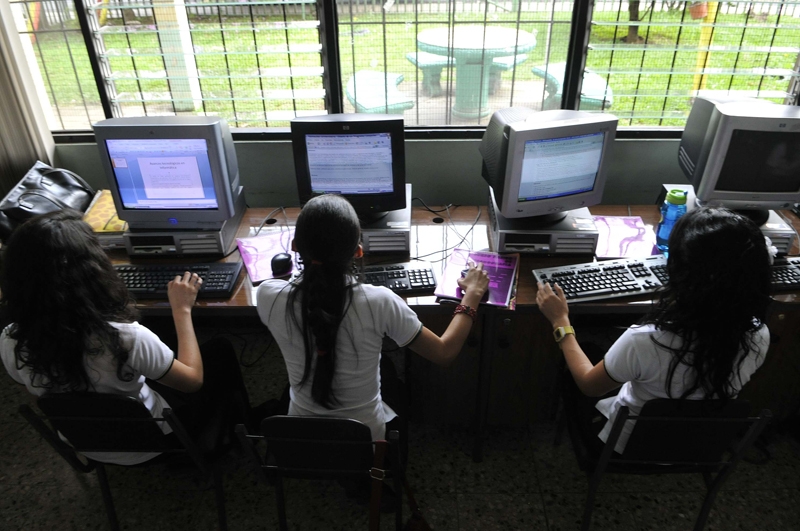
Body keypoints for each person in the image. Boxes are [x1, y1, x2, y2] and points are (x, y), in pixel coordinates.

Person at [0, 209, 253, 465]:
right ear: (91, 271)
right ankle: (241, 430)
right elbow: (193, 382)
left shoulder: (11, 339)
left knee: (150, 357)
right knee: (219, 349)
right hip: (158, 442)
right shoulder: (124, 338)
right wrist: (182, 309)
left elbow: (42, 397)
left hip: (87, 444)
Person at [256, 194, 490, 455]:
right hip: (364, 441)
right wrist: (473, 295)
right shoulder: (379, 301)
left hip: (302, 439)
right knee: (393, 377)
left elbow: (287, 285)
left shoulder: (268, 296)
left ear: (295, 245)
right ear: (358, 251)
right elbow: (444, 353)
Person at [536, 207, 771, 456]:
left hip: (627, 445)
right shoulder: (759, 335)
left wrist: (560, 321)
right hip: (700, 446)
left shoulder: (645, 339)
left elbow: (589, 386)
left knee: (583, 354)